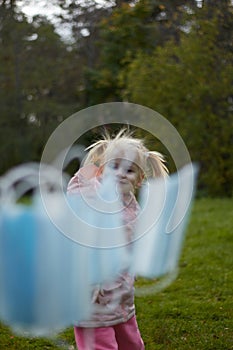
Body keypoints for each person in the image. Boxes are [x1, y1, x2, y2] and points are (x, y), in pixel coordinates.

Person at [67, 128, 168, 350]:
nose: (121, 173)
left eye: (130, 170)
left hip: (122, 294)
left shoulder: (132, 206)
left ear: (139, 179)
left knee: (130, 342)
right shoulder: (91, 194)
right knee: (101, 344)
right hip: (92, 294)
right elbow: (76, 195)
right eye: (114, 166)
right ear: (101, 171)